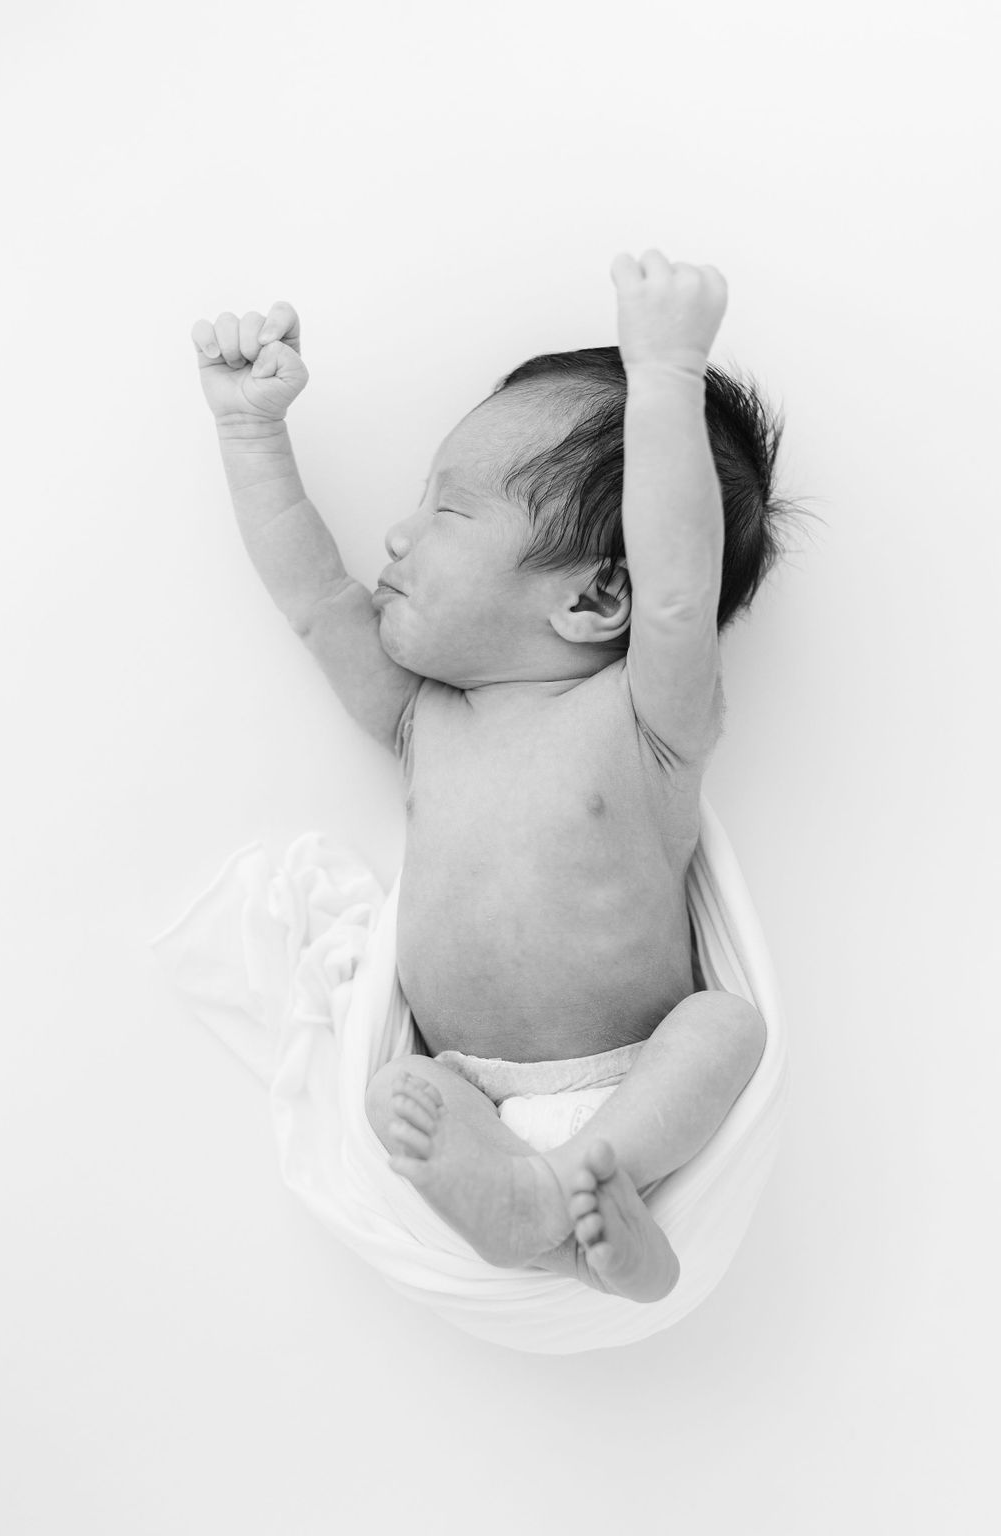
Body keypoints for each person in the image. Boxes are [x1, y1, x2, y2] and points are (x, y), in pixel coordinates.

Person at [190, 250, 792, 1303]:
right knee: (393, 1094)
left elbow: (675, 592)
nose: (397, 533)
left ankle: (588, 1190)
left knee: (724, 1029)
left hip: (627, 1078)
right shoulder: (426, 716)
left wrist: (664, 378)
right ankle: (551, 1217)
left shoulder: (647, 716)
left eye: (449, 513)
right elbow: (316, 600)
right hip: (472, 1097)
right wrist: (251, 431)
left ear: (597, 596)